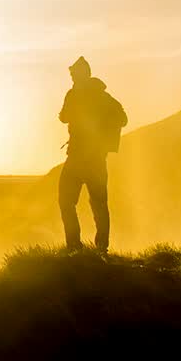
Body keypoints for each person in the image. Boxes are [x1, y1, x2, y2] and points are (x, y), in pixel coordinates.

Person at [57, 56, 127, 251]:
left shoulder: (74, 94)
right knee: (99, 204)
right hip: (97, 158)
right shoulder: (104, 97)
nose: (71, 77)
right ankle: (101, 248)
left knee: (66, 201)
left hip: (78, 157)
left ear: (81, 74)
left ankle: (74, 247)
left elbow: (64, 117)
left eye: (73, 74)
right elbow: (122, 119)